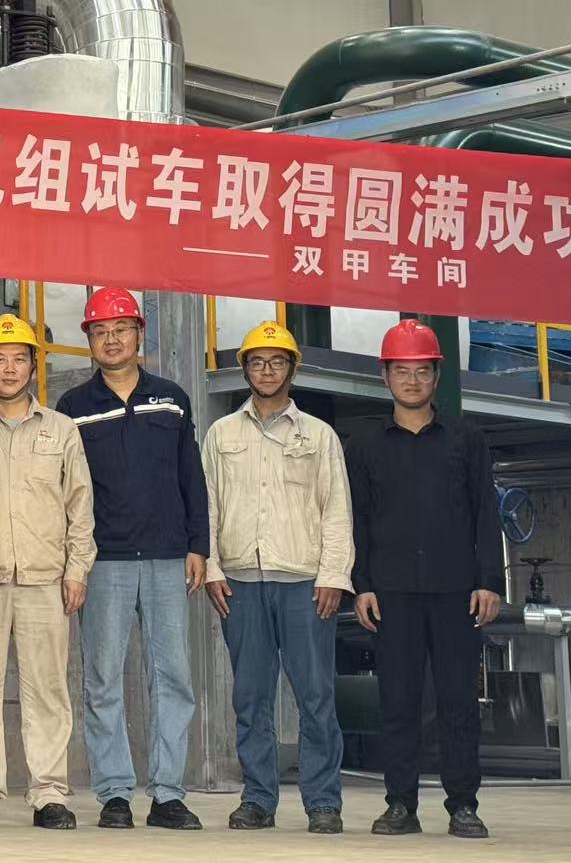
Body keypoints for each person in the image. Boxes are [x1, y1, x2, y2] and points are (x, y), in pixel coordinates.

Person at [55, 287, 208, 831]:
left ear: (140, 333)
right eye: (100, 331)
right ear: (90, 342)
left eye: (121, 328)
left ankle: (168, 795)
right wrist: (74, 562)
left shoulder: (172, 398)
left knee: (173, 678)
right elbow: (65, 491)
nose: (112, 338)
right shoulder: (73, 408)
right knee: (102, 680)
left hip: (168, 557)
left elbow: (191, 474)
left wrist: (199, 545)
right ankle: (115, 793)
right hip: (104, 561)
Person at [346, 319, 502, 841]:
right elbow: (357, 519)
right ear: (384, 375)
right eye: (401, 371)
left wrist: (489, 580)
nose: (411, 381)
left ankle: (464, 806)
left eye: (421, 371)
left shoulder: (466, 439)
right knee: (398, 702)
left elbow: (485, 513)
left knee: (458, 701)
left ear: (436, 376)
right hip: (392, 592)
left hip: (457, 591)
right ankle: (400, 805)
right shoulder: (366, 444)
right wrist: (362, 584)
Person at [202, 321, 351, 835]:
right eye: (257, 362)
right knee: (250, 698)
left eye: (277, 361)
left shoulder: (319, 436)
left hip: (304, 583)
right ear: (244, 370)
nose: (267, 370)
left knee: (316, 697)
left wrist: (334, 575)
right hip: (241, 582)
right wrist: (212, 568)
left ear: (293, 369)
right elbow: (208, 506)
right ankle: (258, 799)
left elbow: (336, 511)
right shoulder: (222, 434)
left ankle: (323, 802)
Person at [0, 315, 94, 831]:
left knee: (48, 692)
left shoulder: (61, 430)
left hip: (45, 580)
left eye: (19, 359)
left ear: (34, 367)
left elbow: (80, 505)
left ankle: (49, 794)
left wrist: (77, 570)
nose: (9, 369)